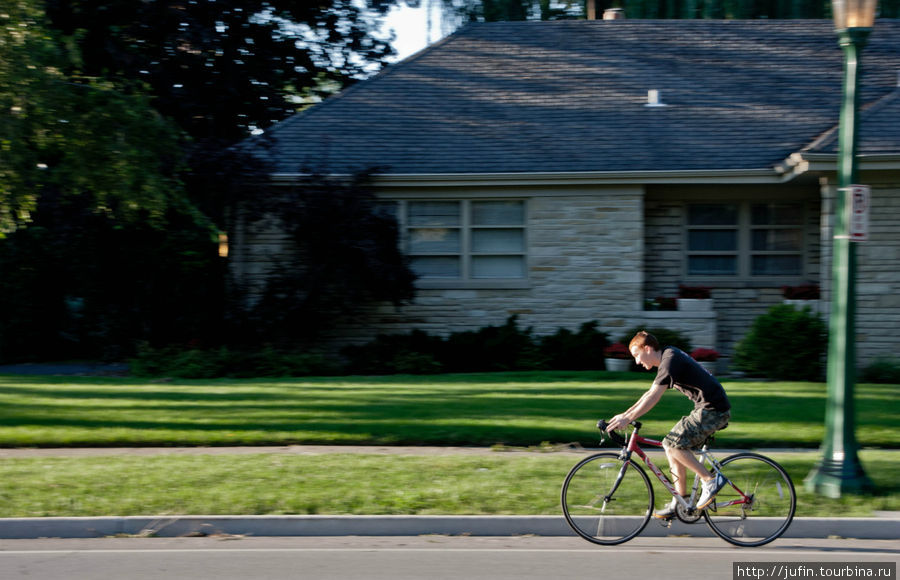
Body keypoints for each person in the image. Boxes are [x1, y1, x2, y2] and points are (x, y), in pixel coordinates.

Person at [605, 331, 731, 519]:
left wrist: (628, 418)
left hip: (713, 410)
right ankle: (680, 500)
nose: (637, 362)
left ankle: (710, 480)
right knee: (670, 443)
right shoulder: (668, 357)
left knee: (673, 444)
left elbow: (654, 397)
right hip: (708, 408)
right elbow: (648, 394)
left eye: (637, 356)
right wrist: (625, 415)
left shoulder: (669, 359)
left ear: (647, 349)